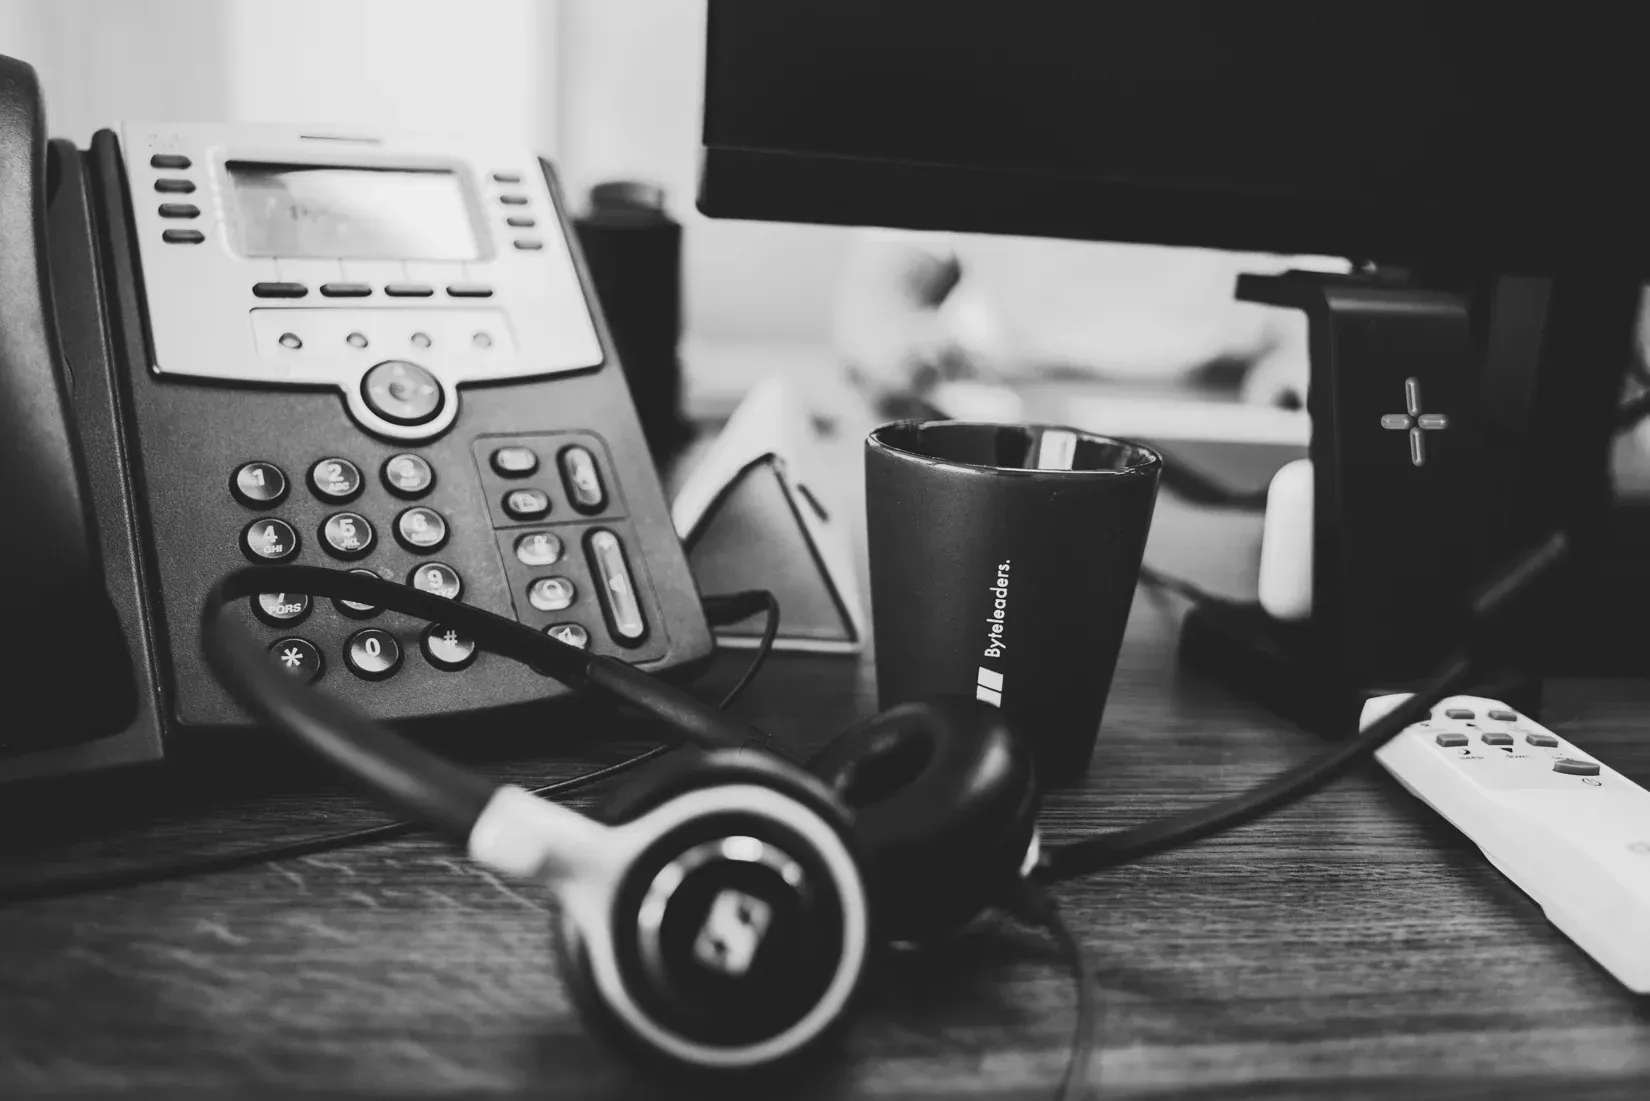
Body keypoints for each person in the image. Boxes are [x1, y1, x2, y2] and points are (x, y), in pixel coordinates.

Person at [831, 228, 1351, 416]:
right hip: (1007, 396)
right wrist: (895, 347)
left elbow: (1324, 280)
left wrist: (1303, 355)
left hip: (1221, 405)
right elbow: (878, 297)